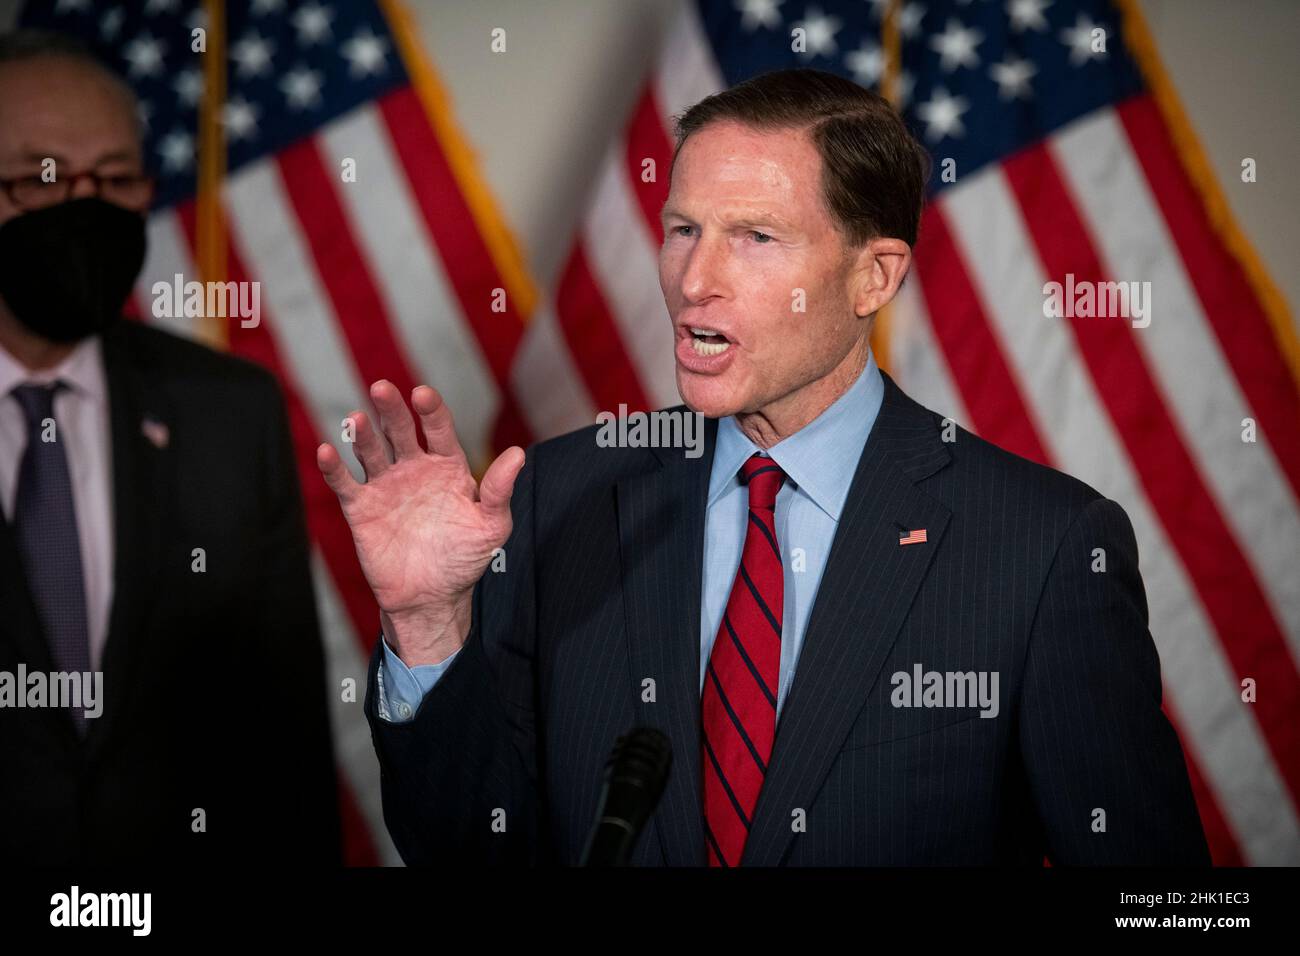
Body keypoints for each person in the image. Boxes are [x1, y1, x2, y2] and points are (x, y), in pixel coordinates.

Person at [319, 68, 1210, 866]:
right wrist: (431, 626)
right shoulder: (561, 495)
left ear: (874, 277)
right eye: (682, 228)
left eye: (754, 237)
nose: (693, 278)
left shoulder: (1043, 548)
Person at [0, 31, 341, 865]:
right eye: (41, 178)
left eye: (115, 180)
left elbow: (283, 740)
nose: (83, 209)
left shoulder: (229, 413)